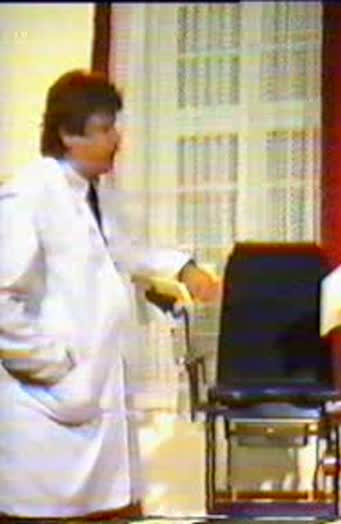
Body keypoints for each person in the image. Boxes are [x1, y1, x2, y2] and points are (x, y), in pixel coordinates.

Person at [0, 69, 218, 520]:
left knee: (113, 507)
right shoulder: (29, 195)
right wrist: (53, 365)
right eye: (104, 129)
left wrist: (183, 267)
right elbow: (3, 300)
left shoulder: (96, 195)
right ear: (68, 135)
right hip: (48, 412)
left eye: (114, 126)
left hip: (93, 407)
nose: (116, 139)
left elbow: (123, 251)